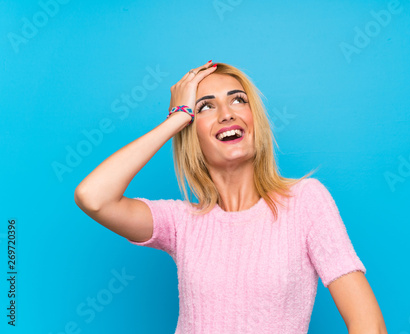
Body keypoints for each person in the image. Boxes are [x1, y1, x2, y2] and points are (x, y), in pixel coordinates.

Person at [74, 60, 387, 333]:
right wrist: (177, 118)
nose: (226, 114)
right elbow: (93, 197)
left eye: (238, 100)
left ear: (254, 120)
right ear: (192, 132)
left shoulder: (306, 201)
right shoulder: (182, 222)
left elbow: (369, 325)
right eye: (206, 106)